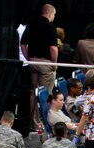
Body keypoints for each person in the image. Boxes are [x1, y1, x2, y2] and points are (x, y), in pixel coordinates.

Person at [20, 4, 58, 132]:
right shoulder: (50, 27)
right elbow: (53, 48)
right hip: (45, 63)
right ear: (49, 13)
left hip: (33, 62)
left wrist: (29, 58)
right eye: (53, 15)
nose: (53, 17)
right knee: (44, 94)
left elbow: (23, 43)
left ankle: (32, 123)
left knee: (33, 93)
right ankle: (39, 124)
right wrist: (54, 63)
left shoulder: (31, 25)